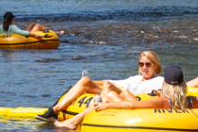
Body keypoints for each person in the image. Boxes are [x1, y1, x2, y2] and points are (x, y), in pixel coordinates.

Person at [53, 65, 198, 130]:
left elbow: (132, 107)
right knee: (122, 93)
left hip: (137, 118)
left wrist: (107, 106)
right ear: (183, 85)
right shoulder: (191, 101)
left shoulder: (163, 100)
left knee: (109, 95)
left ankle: (72, 122)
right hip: (159, 115)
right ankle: (71, 123)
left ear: (167, 85)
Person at [35, 50, 164, 122]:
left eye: (148, 64)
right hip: (119, 95)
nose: (144, 67)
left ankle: (54, 112)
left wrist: (159, 92)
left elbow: (172, 91)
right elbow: (115, 83)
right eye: (141, 64)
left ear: (155, 65)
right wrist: (83, 82)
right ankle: (54, 110)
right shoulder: (134, 79)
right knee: (86, 80)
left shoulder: (159, 80)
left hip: (130, 100)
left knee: (107, 84)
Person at [0, 11, 64, 37]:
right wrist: (37, 35)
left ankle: (56, 32)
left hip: (17, 34)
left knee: (31, 24)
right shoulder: (13, 27)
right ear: (12, 20)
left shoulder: (0, 27)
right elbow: (23, 33)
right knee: (38, 25)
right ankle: (56, 32)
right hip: (21, 36)